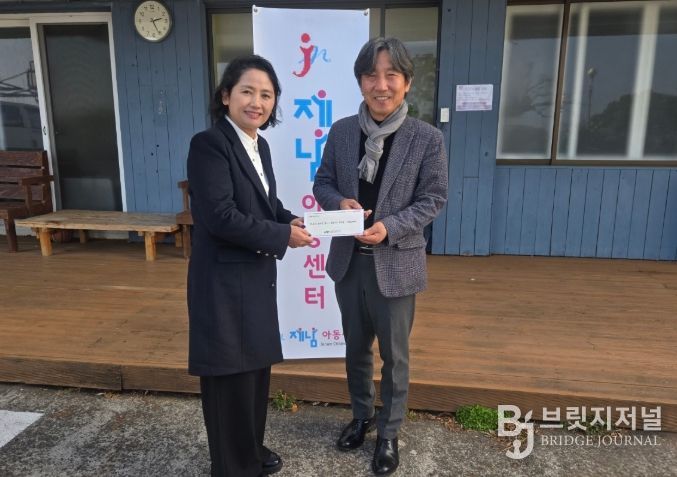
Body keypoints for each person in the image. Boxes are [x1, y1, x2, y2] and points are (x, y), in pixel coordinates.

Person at [312, 38, 448, 476]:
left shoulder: (427, 138)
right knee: (355, 347)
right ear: (360, 82)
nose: (381, 85)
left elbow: (433, 198)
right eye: (371, 75)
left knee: (395, 355)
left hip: (396, 261)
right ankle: (361, 415)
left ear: (407, 82)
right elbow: (322, 182)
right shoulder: (342, 132)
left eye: (391, 75)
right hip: (349, 260)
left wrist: (390, 226)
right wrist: (340, 202)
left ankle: (388, 432)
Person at [187, 54, 313, 477]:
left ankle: (250, 451)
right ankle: (232, 466)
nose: (257, 102)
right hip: (222, 283)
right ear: (226, 96)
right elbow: (220, 216)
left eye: (267, 94)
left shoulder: (258, 144)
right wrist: (281, 236)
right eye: (247, 91)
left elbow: (265, 204)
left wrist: (290, 220)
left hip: (254, 278)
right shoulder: (209, 144)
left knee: (254, 372)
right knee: (229, 378)